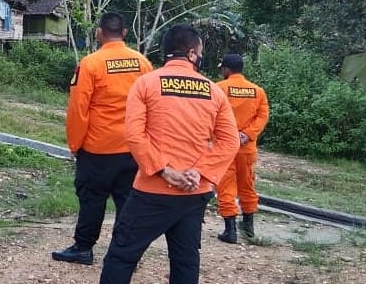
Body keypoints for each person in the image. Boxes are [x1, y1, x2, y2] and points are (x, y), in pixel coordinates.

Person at [99, 24, 240, 284]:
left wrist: (164, 170)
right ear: (191, 53)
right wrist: (199, 172)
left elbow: (134, 135)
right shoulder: (214, 90)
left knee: (122, 255)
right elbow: (230, 142)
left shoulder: (145, 84)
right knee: (185, 259)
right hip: (194, 190)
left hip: (152, 190)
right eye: (200, 50)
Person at [52, 12, 152, 266]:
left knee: (92, 200)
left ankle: (83, 248)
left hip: (97, 148)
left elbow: (78, 108)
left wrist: (75, 144)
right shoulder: (142, 63)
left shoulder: (91, 63)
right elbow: (152, 105)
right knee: (128, 204)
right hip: (132, 147)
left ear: (99, 33)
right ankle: (126, 254)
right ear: (125, 33)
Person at [215, 53, 270, 243]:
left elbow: (210, 114)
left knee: (225, 186)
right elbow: (262, 117)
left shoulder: (218, 88)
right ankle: (248, 228)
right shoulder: (258, 91)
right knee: (247, 185)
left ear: (226, 70)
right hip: (247, 148)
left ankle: (230, 231)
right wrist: (247, 134)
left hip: (224, 146)